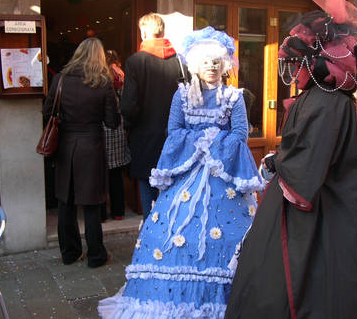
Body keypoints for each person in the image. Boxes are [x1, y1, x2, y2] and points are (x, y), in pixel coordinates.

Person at [225, 0, 357, 319]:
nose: (291, 70)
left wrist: (278, 160)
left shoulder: (324, 101)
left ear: (314, 61)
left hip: (329, 209)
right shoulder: (329, 98)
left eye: (294, 62)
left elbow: (308, 162)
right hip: (347, 202)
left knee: (312, 282)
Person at [98, 26, 265, 318]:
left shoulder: (233, 97)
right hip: (187, 175)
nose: (211, 67)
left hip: (221, 177)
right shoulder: (183, 96)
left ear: (224, 65)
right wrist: (197, 143)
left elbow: (239, 134)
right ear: (195, 65)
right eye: (205, 62)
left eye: (216, 62)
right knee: (173, 232)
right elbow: (174, 130)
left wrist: (213, 142)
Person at [43, 37, 120, 268]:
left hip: (66, 145)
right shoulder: (103, 82)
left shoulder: (60, 79)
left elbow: (47, 111)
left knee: (65, 201)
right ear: (99, 57)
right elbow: (112, 122)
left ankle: (70, 253)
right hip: (91, 146)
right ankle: (96, 255)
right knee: (92, 203)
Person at [121, 13, 184, 221]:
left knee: (148, 198)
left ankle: (150, 243)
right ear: (162, 32)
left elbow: (129, 105)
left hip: (144, 138)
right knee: (173, 196)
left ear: (144, 32)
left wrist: (129, 127)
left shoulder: (135, 62)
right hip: (175, 140)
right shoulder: (180, 63)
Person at [101, 50, 131, 221]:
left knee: (101, 175)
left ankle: (101, 213)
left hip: (101, 127)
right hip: (118, 128)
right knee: (116, 174)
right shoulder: (121, 75)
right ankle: (118, 212)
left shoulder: (99, 75)